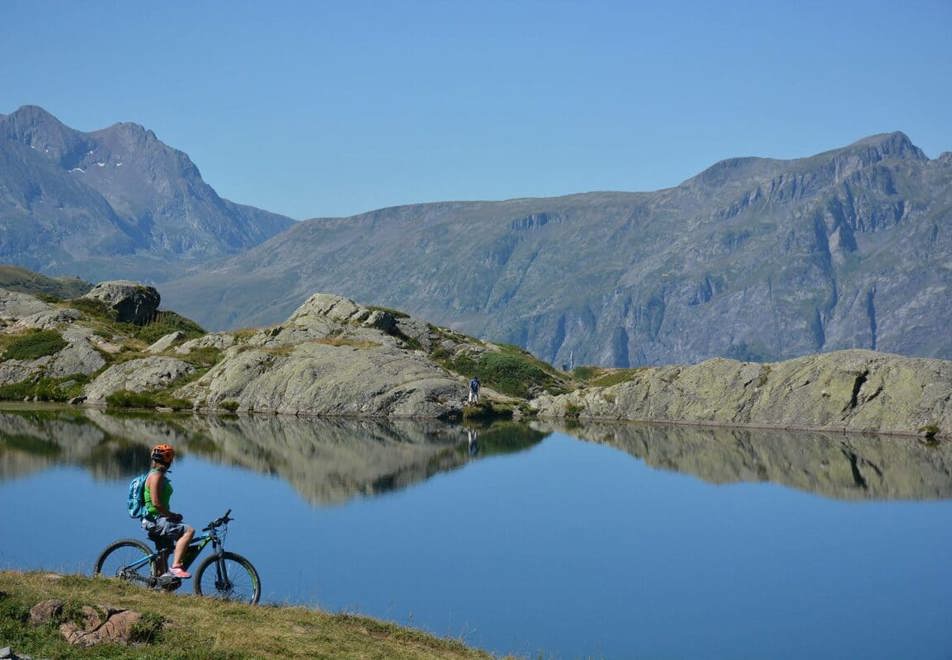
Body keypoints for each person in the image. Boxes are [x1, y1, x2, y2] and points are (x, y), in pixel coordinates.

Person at [142, 443, 194, 579]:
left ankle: (160, 586)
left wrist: (171, 516)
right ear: (168, 460)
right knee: (189, 531)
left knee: (163, 554)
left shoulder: (158, 475)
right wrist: (172, 515)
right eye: (170, 458)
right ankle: (176, 566)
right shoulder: (156, 476)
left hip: (157, 519)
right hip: (156, 519)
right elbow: (156, 503)